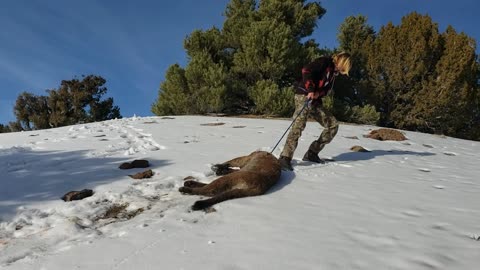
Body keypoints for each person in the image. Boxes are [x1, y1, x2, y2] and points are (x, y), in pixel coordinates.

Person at [278, 52, 352, 171]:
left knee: (332, 125)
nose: (344, 69)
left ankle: (312, 153)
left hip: (315, 101)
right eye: (345, 65)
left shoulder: (333, 74)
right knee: (299, 125)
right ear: (340, 61)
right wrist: (311, 89)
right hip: (304, 96)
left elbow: (326, 90)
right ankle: (285, 158)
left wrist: (318, 93)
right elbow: (306, 71)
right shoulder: (324, 62)